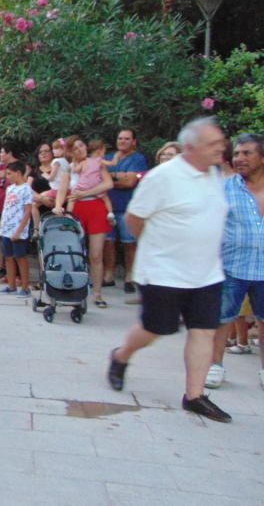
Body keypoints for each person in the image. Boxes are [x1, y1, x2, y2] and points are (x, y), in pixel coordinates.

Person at [107, 117, 231, 423]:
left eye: (221, 142)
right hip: (165, 272)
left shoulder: (215, 174)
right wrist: (158, 247)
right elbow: (134, 219)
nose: (221, 148)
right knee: (155, 329)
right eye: (213, 144)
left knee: (204, 331)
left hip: (207, 273)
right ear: (192, 147)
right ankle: (120, 356)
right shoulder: (163, 177)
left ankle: (195, 396)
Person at [205, 133, 264, 389]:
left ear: (262, 158)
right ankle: (215, 366)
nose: (239, 158)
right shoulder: (225, 187)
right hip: (232, 265)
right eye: (237, 153)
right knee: (222, 318)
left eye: (246, 153)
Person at [54, 136, 113, 308]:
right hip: (76, 209)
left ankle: (97, 293)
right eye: (76, 148)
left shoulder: (96, 163)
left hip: (96, 207)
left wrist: (85, 194)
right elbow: (62, 191)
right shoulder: (69, 169)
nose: (80, 149)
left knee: (96, 254)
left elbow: (108, 184)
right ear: (70, 152)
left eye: (81, 145)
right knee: (75, 253)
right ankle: (75, 287)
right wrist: (58, 206)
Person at [103, 129, 148, 293]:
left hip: (128, 207)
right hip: (108, 206)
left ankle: (130, 276)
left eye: (127, 139)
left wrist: (111, 178)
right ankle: (108, 275)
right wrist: (119, 176)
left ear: (134, 141)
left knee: (129, 244)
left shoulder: (138, 159)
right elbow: (101, 179)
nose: (122, 141)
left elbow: (130, 182)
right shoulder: (108, 158)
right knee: (108, 242)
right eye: (120, 138)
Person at [0, 161, 33, 298]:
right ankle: (11, 286)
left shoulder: (26, 189)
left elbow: (28, 211)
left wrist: (19, 231)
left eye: (9, 174)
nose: (7, 177)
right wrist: (0, 226)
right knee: (8, 258)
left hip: (18, 230)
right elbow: (6, 209)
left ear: (18, 173)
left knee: (20, 258)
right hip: (6, 229)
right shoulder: (10, 189)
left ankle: (25, 287)